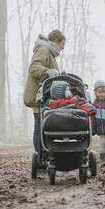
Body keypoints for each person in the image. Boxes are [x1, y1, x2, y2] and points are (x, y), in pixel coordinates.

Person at [24, 30, 66, 163]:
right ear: (56, 41)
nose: (63, 47)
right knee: (39, 126)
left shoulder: (49, 52)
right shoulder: (44, 49)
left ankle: (45, 154)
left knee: (44, 125)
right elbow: (34, 67)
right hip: (38, 95)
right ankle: (40, 157)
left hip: (43, 94)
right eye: (63, 43)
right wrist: (47, 71)